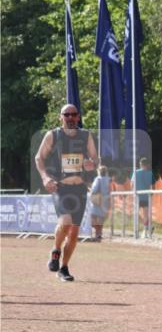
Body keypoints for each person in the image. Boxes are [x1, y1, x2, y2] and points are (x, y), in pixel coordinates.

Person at [34, 104, 98, 281]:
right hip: (60, 188)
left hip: (80, 188)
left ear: (78, 117)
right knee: (66, 222)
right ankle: (56, 250)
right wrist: (45, 178)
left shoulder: (85, 135)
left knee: (74, 232)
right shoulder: (53, 135)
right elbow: (39, 158)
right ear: (60, 117)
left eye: (73, 114)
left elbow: (95, 158)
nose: (70, 117)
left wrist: (92, 164)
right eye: (66, 114)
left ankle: (63, 268)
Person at [131, 157, 154, 238]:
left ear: (140, 164)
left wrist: (133, 193)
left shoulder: (135, 172)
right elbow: (153, 186)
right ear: (147, 165)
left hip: (137, 196)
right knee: (145, 214)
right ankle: (146, 228)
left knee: (135, 213)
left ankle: (144, 228)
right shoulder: (150, 174)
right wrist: (151, 194)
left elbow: (132, 184)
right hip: (146, 196)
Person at [89, 165, 112, 241]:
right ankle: (99, 234)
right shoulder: (109, 179)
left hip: (98, 199)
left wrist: (90, 191)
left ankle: (97, 232)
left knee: (93, 216)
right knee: (101, 218)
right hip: (106, 200)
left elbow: (94, 189)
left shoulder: (98, 179)